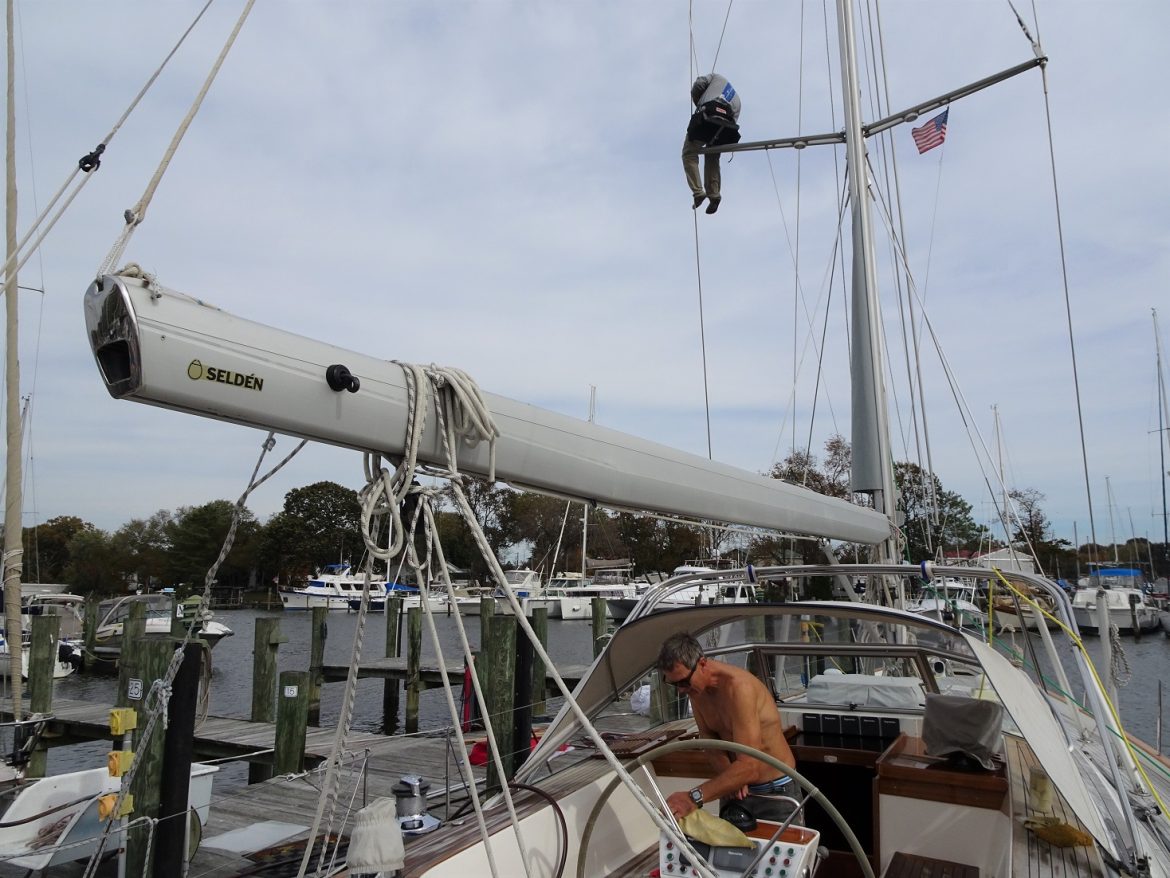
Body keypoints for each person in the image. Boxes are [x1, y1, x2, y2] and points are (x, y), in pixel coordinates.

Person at [656, 632, 796, 822]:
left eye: (683, 682)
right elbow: (709, 740)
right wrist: (730, 778)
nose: (681, 690)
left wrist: (692, 798)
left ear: (702, 664)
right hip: (734, 791)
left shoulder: (740, 689)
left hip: (774, 792)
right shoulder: (696, 689)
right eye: (674, 684)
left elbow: (750, 766)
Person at [683, 73, 742, 215]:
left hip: (706, 117)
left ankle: (698, 192)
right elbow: (734, 119)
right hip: (725, 127)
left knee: (689, 153)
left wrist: (698, 101)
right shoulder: (737, 99)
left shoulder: (715, 77)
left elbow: (698, 84)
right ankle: (714, 195)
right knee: (712, 155)